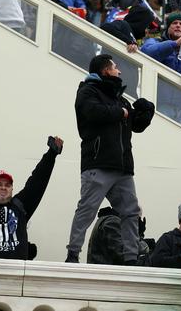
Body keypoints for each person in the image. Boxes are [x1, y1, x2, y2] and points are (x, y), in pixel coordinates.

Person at [66, 54, 155, 264]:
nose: (119, 71)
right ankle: (72, 254)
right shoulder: (87, 91)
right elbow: (92, 112)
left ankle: (131, 258)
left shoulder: (119, 99)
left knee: (131, 212)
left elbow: (136, 125)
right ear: (105, 71)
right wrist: (121, 112)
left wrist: (147, 110)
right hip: (98, 163)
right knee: (87, 210)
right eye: (115, 67)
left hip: (122, 167)